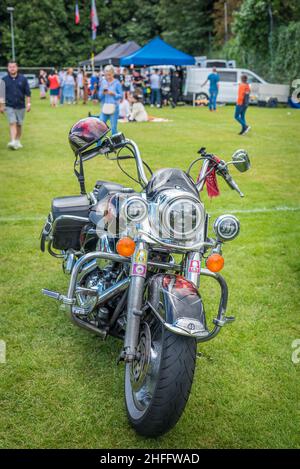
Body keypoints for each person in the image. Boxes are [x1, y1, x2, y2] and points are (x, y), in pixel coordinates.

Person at [0, 61, 31, 150]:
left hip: (21, 106)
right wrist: (1, 106)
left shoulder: (23, 79)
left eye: (14, 67)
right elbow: (1, 94)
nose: (12, 68)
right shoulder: (4, 80)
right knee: (12, 122)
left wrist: (28, 103)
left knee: (19, 124)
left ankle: (17, 140)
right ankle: (13, 140)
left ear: (17, 68)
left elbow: (28, 93)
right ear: (8, 68)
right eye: (10, 67)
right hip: (9, 106)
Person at [99, 65, 123, 135]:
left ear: (113, 74)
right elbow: (100, 96)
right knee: (100, 127)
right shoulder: (103, 82)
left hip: (114, 108)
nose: (107, 77)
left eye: (109, 75)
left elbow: (121, 95)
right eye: (106, 75)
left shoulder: (117, 83)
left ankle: (115, 145)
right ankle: (99, 145)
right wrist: (103, 93)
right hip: (104, 107)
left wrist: (114, 94)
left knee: (113, 128)